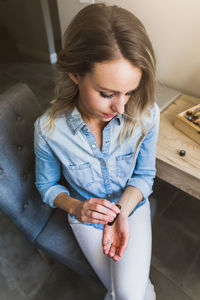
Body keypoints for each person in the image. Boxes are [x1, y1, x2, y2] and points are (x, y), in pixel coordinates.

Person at [34, 3, 160, 300]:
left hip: (131, 208)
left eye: (130, 92)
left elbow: (144, 176)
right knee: (131, 294)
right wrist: (78, 208)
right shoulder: (49, 131)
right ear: (75, 74)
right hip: (86, 217)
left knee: (126, 294)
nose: (120, 108)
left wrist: (123, 214)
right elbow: (47, 186)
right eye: (107, 94)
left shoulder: (146, 114)